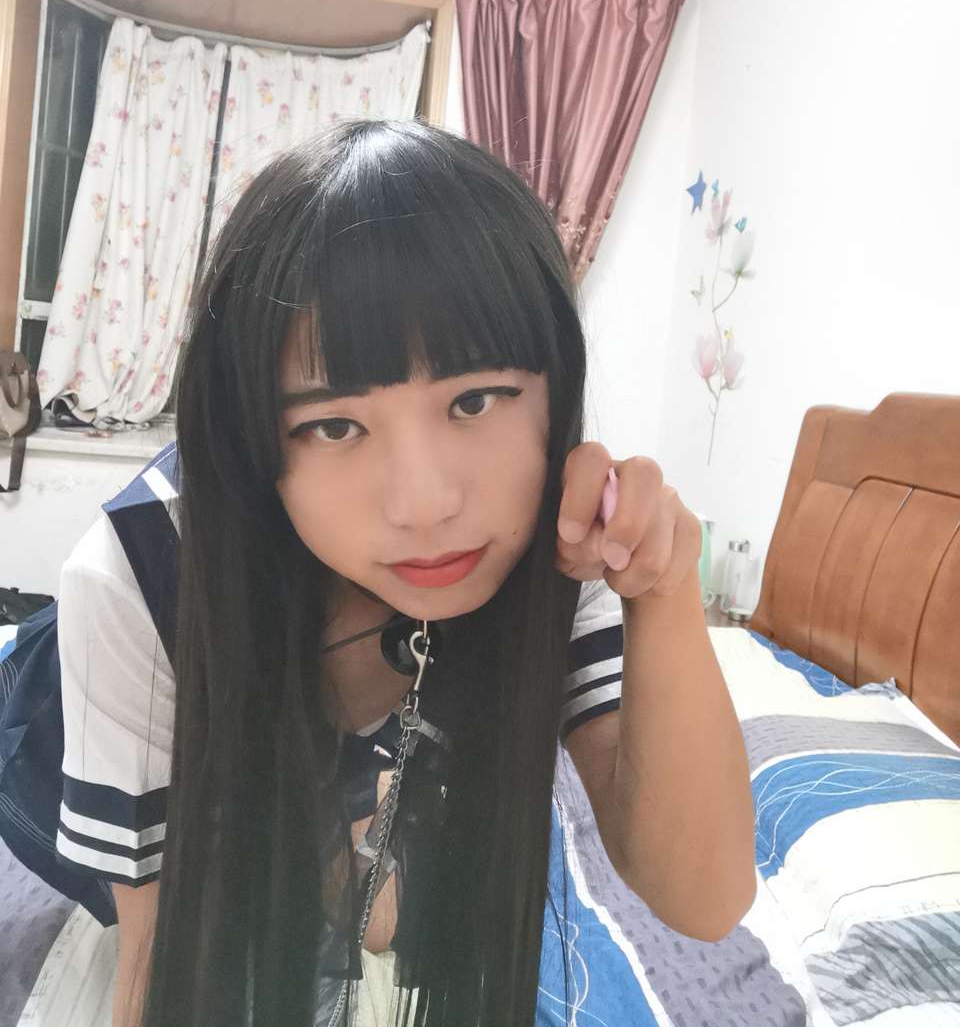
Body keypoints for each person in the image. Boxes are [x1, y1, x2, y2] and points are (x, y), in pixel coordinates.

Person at [2, 119, 755, 1027]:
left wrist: (664, 591)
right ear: (255, 433)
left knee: (370, 919)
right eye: (336, 425)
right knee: (258, 918)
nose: (425, 503)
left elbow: (705, 899)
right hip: (72, 733)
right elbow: (159, 959)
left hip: (333, 736)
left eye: (473, 400)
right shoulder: (140, 570)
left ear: (554, 385)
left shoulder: (552, 527)